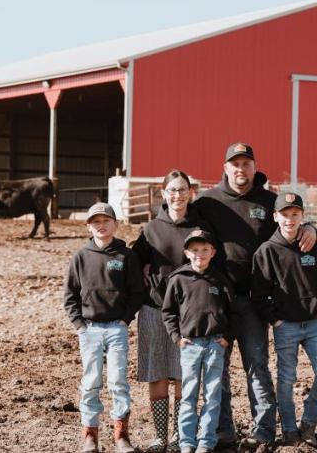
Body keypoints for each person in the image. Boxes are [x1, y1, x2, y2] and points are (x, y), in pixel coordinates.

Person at [194, 143, 317, 448]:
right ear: (225, 168)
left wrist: (311, 226)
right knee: (217, 369)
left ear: (254, 166)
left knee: (257, 366)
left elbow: (290, 222)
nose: (241, 169)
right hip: (216, 301)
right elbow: (177, 217)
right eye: (235, 164)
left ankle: (263, 430)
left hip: (252, 301)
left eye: (246, 163)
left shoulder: (268, 201)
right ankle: (222, 432)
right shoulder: (207, 201)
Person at [251, 192, 317, 447]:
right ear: (275, 217)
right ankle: (289, 430)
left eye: (295, 214)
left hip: (313, 326)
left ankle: (308, 425)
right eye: (285, 215)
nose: (290, 220)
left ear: (302, 216)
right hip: (285, 327)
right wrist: (276, 320)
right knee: (287, 379)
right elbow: (259, 293)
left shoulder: (316, 248)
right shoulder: (266, 252)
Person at [132, 170, 210, 452]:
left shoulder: (200, 227)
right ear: (163, 193)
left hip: (188, 313)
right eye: (172, 190)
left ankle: (180, 434)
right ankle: (160, 436)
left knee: (183, 374)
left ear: (191, 192)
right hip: (154, 308)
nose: (177, 195)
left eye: (182, 189)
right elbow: (133, 262)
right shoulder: (152, 229)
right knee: (157, 372)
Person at [63, 202, 145, 453]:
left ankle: (121, 435)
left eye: (106, 221)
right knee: (90, 381)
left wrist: (124, 320)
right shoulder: (81, 257)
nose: (101, 225)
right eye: (95, 221)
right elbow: (70, 294)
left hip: (116, 329)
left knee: (118, 381)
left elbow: (137, 292)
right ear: (89, 226)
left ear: (115, 224)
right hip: (89, 329)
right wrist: (79, 325)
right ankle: (90, 434)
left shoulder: (125, 256)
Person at [162, 229, 234, 453]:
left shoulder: (220, 279)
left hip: (215, 344)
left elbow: (234, 311)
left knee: (213, 394)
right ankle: (187, 441)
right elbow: (168, 312)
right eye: (194, 250)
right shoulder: (178, 279)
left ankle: (206, 440)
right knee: (189, 394)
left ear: (213, 252)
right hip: (190, 345)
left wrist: (227, 337)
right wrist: (177, 337)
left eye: (204, 250)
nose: (199, 254)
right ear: (186, 252)